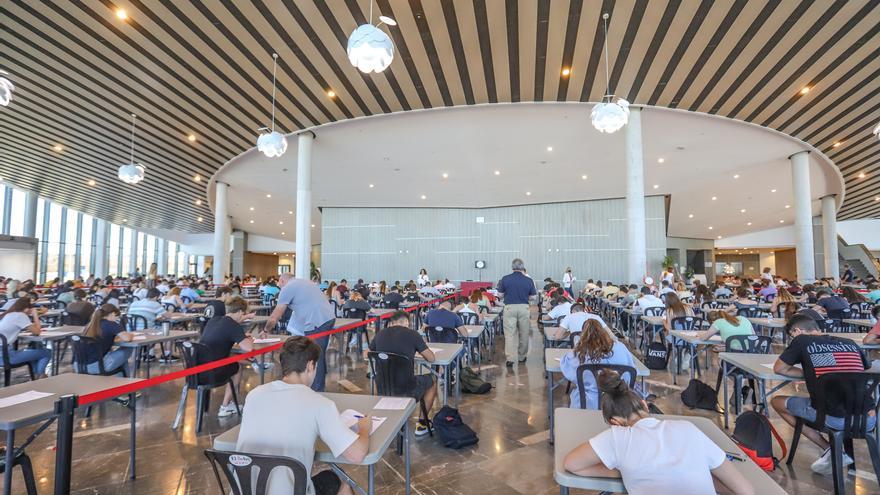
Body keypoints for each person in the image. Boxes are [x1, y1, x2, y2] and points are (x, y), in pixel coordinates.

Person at [562, 370, 753, 495]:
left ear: (615, 423)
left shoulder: (618, 437)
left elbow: (572, 464)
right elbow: (746, 491)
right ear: (645, 405)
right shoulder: (689, 429)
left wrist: (621, 470)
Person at [236, 337, 369, 495]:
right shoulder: (319, 404)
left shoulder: (254, 395)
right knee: (341, 484)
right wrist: (364, 428)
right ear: (310, 366)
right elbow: (357, 455)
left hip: (244, 491)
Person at [770, 314, 875, 475]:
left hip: (834, 418)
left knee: (777, 401)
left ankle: (830, 449)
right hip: (868, 419)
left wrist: (809, 373)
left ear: (797, 331)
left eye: (792, 336)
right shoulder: (850, 343)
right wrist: (816, 374)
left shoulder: (801, 340)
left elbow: (780, 369)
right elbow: (863, 370)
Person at [368, 311, 437, 436]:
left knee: (377, 377)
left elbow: (367, 354)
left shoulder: (380, 334)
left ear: (391, 322)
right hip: (406, 389)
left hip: (383, 388)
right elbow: (431, 358)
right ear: (406, 322)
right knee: (432, 380)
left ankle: (386, 417)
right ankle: (422, 424)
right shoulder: (413, 335)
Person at [264, 274, 335, 391]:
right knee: (319, 354)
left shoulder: (287, 288)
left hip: (317, 321)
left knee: (314, 356)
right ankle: (318, 385)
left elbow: (275, 316)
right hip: (328, 318)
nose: (279, 286)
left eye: (279, 283)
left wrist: (265, 330)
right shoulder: (304, 282)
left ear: (282, 281)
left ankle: (317, 390)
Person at [560, 321, 638, 409]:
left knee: (572, 395)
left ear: (582, 335)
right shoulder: (621, 347)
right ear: (604, 332)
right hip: (620, 404)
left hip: (588, 403)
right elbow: (632, 371)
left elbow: (569, 373)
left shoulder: (580, 352)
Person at [200, 297, 255, 417]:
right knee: (237, 368)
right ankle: (225, 406)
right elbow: (249, 348)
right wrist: (248, 338)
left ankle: (255, 364)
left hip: (197, 370)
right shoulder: (233, 325)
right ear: (240, 312)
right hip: (212, 372)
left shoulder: (214, 320)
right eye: (243, 314)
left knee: (233, 357)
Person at [497, 258, 536, 367]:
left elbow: (499, 295)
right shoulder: (528, 280)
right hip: (524, 308)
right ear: (522, 267)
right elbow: (533, 296)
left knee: (509, 334)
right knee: (524, 333)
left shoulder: (505, 279)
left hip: (509, 307)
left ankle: (509, 358)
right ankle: (522, 357)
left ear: (512, 267)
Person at [0, 297, 52, 378]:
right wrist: (35, 315)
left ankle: (37, 375)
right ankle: (40, 376)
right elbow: (37, 332)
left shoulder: (8, 314)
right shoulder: (20, 315)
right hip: (6, 356)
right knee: (46, 352)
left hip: (2, 354)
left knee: (33, 352)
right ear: (27, 308)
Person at [81, 304, 134, 376]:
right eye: (117, 317)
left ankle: (122, 379)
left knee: (120, 359)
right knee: (127, 349)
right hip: (96, 366)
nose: (117, 319)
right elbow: (127, 338)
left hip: (80, 365)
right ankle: (125, 380)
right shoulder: (111, 324)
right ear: (113, 314)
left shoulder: (90, 325)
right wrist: (131, 334)